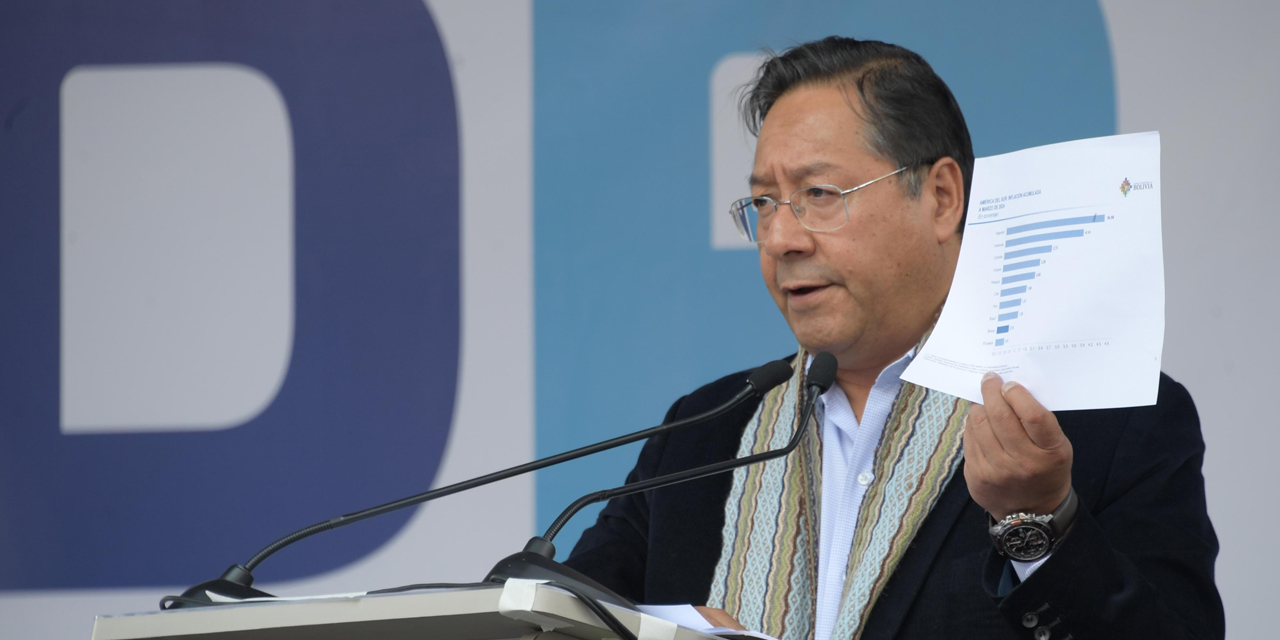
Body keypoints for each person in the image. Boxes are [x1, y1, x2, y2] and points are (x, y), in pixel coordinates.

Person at [563, 37, 1224, 640]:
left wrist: (1041, 523)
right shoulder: (702, 436)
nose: (781, 239)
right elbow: (561, 615)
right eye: (764, 203)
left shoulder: (1105, 419)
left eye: (819, 193)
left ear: (940, 197)